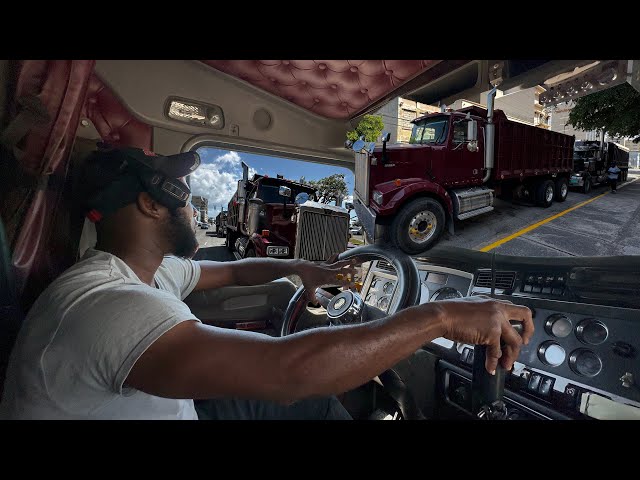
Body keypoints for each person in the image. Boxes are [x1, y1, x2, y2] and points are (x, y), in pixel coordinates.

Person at [0, 145, 533, 420]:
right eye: (182, 193)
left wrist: (295, 268)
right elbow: (288, 371)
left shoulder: (144, 270)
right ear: (147, 202)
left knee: (316, 405)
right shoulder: (108, 304)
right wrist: (438, 317)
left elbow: (231, 270)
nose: (191, 204)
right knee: (309, 395)